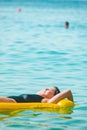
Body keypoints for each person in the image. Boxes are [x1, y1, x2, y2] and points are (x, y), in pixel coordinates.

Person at [0, 87, 73, 103]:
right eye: (46, 88)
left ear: (53, 96)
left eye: (49, 90)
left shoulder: (44, 100)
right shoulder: (37, 96)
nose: (46, 89)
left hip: (11, 102)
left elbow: (68, 92)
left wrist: (72, 102)